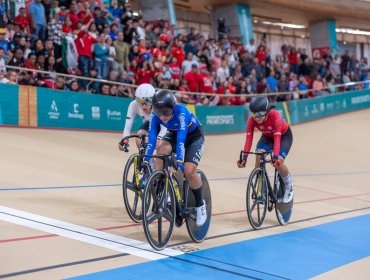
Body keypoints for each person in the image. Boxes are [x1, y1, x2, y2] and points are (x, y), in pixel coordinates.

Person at [144, 90, 207, 227]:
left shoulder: (182, 111)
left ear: (173, 107)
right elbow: (152, 140)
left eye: (165, 111)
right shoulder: (156, 115)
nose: (162, 116)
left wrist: (179, 161)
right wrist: (145, 159)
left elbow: (181, 140)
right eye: (158, 111)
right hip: (173, 134)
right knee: (160, 150)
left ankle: (200, 205)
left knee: (189, 171)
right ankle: (162, 187)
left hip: (194, 137)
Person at [237, 96, 294, 203]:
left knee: (279, 162)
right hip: (267, 137)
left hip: (283, 137)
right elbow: (249, 139)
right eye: (253, 114)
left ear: (267, 111)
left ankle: (288, 185)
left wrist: (276, 157)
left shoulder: (275, 116)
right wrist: (244, 158)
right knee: (258, 155)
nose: (256, 118)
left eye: (259, 114)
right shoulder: (252, 120)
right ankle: (260, 188)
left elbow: (277, 138)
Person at [118, 83, 166, 150]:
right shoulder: (133, 105)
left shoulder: (159, 106)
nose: (143, 105)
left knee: (161, 147)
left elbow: (164, 128)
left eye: (148, 101)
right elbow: (128, 126)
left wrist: (158, 139)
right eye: (139, 101)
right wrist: (125, 139)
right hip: (151, 123)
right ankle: (146, 159)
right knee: (140, 138)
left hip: (166, 125)